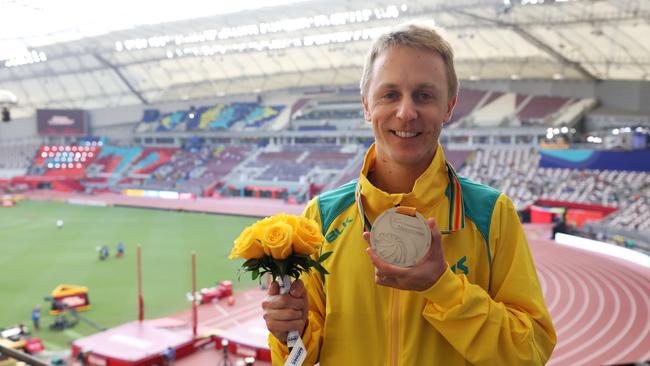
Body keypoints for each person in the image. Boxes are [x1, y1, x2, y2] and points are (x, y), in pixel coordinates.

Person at [262, 23, 556, 365]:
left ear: (449, 106)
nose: (406, 112)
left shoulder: (491, 214)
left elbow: (530, 352)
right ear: (366, 106)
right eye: (389, 94)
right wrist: (287, 333)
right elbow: (300, 357)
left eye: (424, 95)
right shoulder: (322, 217)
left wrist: (442, 287)